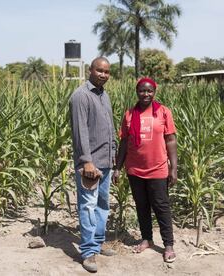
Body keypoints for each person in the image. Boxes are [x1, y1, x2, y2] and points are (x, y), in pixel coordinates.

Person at [112, 77, 177, 263]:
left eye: (149, 91)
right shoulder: (129, 114)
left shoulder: (163, 112)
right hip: (135, 169)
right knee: (142, 206)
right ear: (137, 92)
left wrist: (174, 168)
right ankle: (147, 238)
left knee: (161, 206)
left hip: (158, 168)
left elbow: (171, 140)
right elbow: (124, 143)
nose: (145, 94)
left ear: (154, 92)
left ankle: (168, 244)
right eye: (142, 90)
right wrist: (118, 167)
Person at [69, 57, 116, 273]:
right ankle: (88, 252)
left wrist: (113, 159)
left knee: (102, 205)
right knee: (88, 206)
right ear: (90, 70)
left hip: (106, 162)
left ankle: (97, 243)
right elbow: (81, 133)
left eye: (107, 72)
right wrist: (87, 161)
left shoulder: (104, 95)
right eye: (100, 71)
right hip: (91, 164)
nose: (103, 75)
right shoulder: (81, 96)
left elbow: (110, 129)